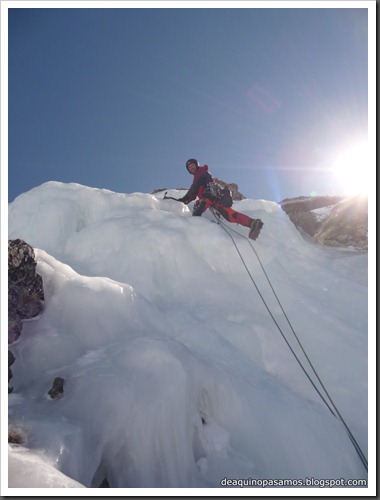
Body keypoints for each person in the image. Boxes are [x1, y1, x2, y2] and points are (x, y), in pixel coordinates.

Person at [178, 159, 263, 240]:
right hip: (215, 198)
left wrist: (183, 200)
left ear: (197, 165)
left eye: (192, 165)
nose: (191, 168)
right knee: (230, 215)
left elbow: (193, 190)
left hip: (208, 197)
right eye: (189, 168)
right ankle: (253, 223)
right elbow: (193, 194)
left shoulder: (201, 172)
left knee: (198, 209)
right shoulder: (201, 174)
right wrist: (185, 200)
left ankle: (193, 232)